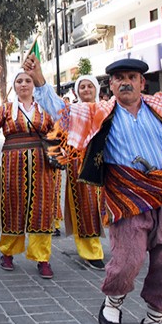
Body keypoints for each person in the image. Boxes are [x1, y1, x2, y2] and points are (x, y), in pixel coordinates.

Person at [28, 55, 162, 324]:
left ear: (142, 82)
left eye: (131, 78)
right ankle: (113, 301)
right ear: (111, 85)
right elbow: (61, 113)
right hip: (125, 193)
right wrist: (40, 79)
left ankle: (155, 317)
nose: (126, 83)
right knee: (129, 258)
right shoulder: (98, 113)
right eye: (119, 79)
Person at [0, 68, 61, 280]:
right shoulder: (6, 109)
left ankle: (42, 257)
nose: (23, 84)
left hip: (43, 163)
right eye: (19, 81)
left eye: (27, 80)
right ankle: (8, 252)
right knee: (13, 204)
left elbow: (58, 130)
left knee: (41, 208)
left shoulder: (45, 108)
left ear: (34, 85)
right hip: (12, 163)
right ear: (14, 86)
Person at [34, 73, 107, 271]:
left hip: (106, 162)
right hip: (79, 162)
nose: (86, 90)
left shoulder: (107, 109)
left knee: (111, 205)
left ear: (96, 89)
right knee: (86, 205)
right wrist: (40, 82)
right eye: (82, 87)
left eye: (89, 86)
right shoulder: (71, 111)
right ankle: (91, 251)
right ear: (77, 91)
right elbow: (51, 102)